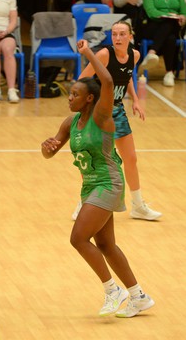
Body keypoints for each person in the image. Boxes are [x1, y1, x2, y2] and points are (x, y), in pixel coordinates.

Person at [41, 39, 155, 319]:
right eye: (69, 94)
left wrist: (88, 53)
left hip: (109, 182)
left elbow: (105, 80)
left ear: (89, 98)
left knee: (78, 238)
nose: (70, 98)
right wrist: (47, 148)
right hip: (90, 185)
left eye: (75, 95)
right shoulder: (70, 123)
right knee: (105, 245)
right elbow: (51, 151)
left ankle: (112, 290)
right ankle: (139, 296)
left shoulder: (103, 115)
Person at [72, 21, 162, 221]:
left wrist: (136, 100)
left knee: (130, 158)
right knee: (95, 161)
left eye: (122, 34)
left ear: (130, 36)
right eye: (114, 34)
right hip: (97, 112)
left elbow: (128, 76)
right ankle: (84, 203)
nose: (118, 38)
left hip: (117, 110)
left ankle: (138, 205)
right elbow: (82, 81)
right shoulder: (104, 55)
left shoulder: (135, 55)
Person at [140, 0, 186, 87]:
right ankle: (169, 73)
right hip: (153, 25)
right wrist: (165, 15)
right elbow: (150, 11)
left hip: (174, 26)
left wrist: (183, 17)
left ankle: (152, 53)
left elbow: (184, 12)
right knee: (169, 30)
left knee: (171, 32)